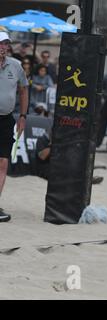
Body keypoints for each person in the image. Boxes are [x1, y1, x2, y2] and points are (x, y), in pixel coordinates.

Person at [0, 32, 28, 223]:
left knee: (2, 162)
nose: (3, 47)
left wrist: (23, 116)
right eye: (0, 43)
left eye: (6, 44)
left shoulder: (15, 65)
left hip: (6, 119)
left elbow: (24, 90)